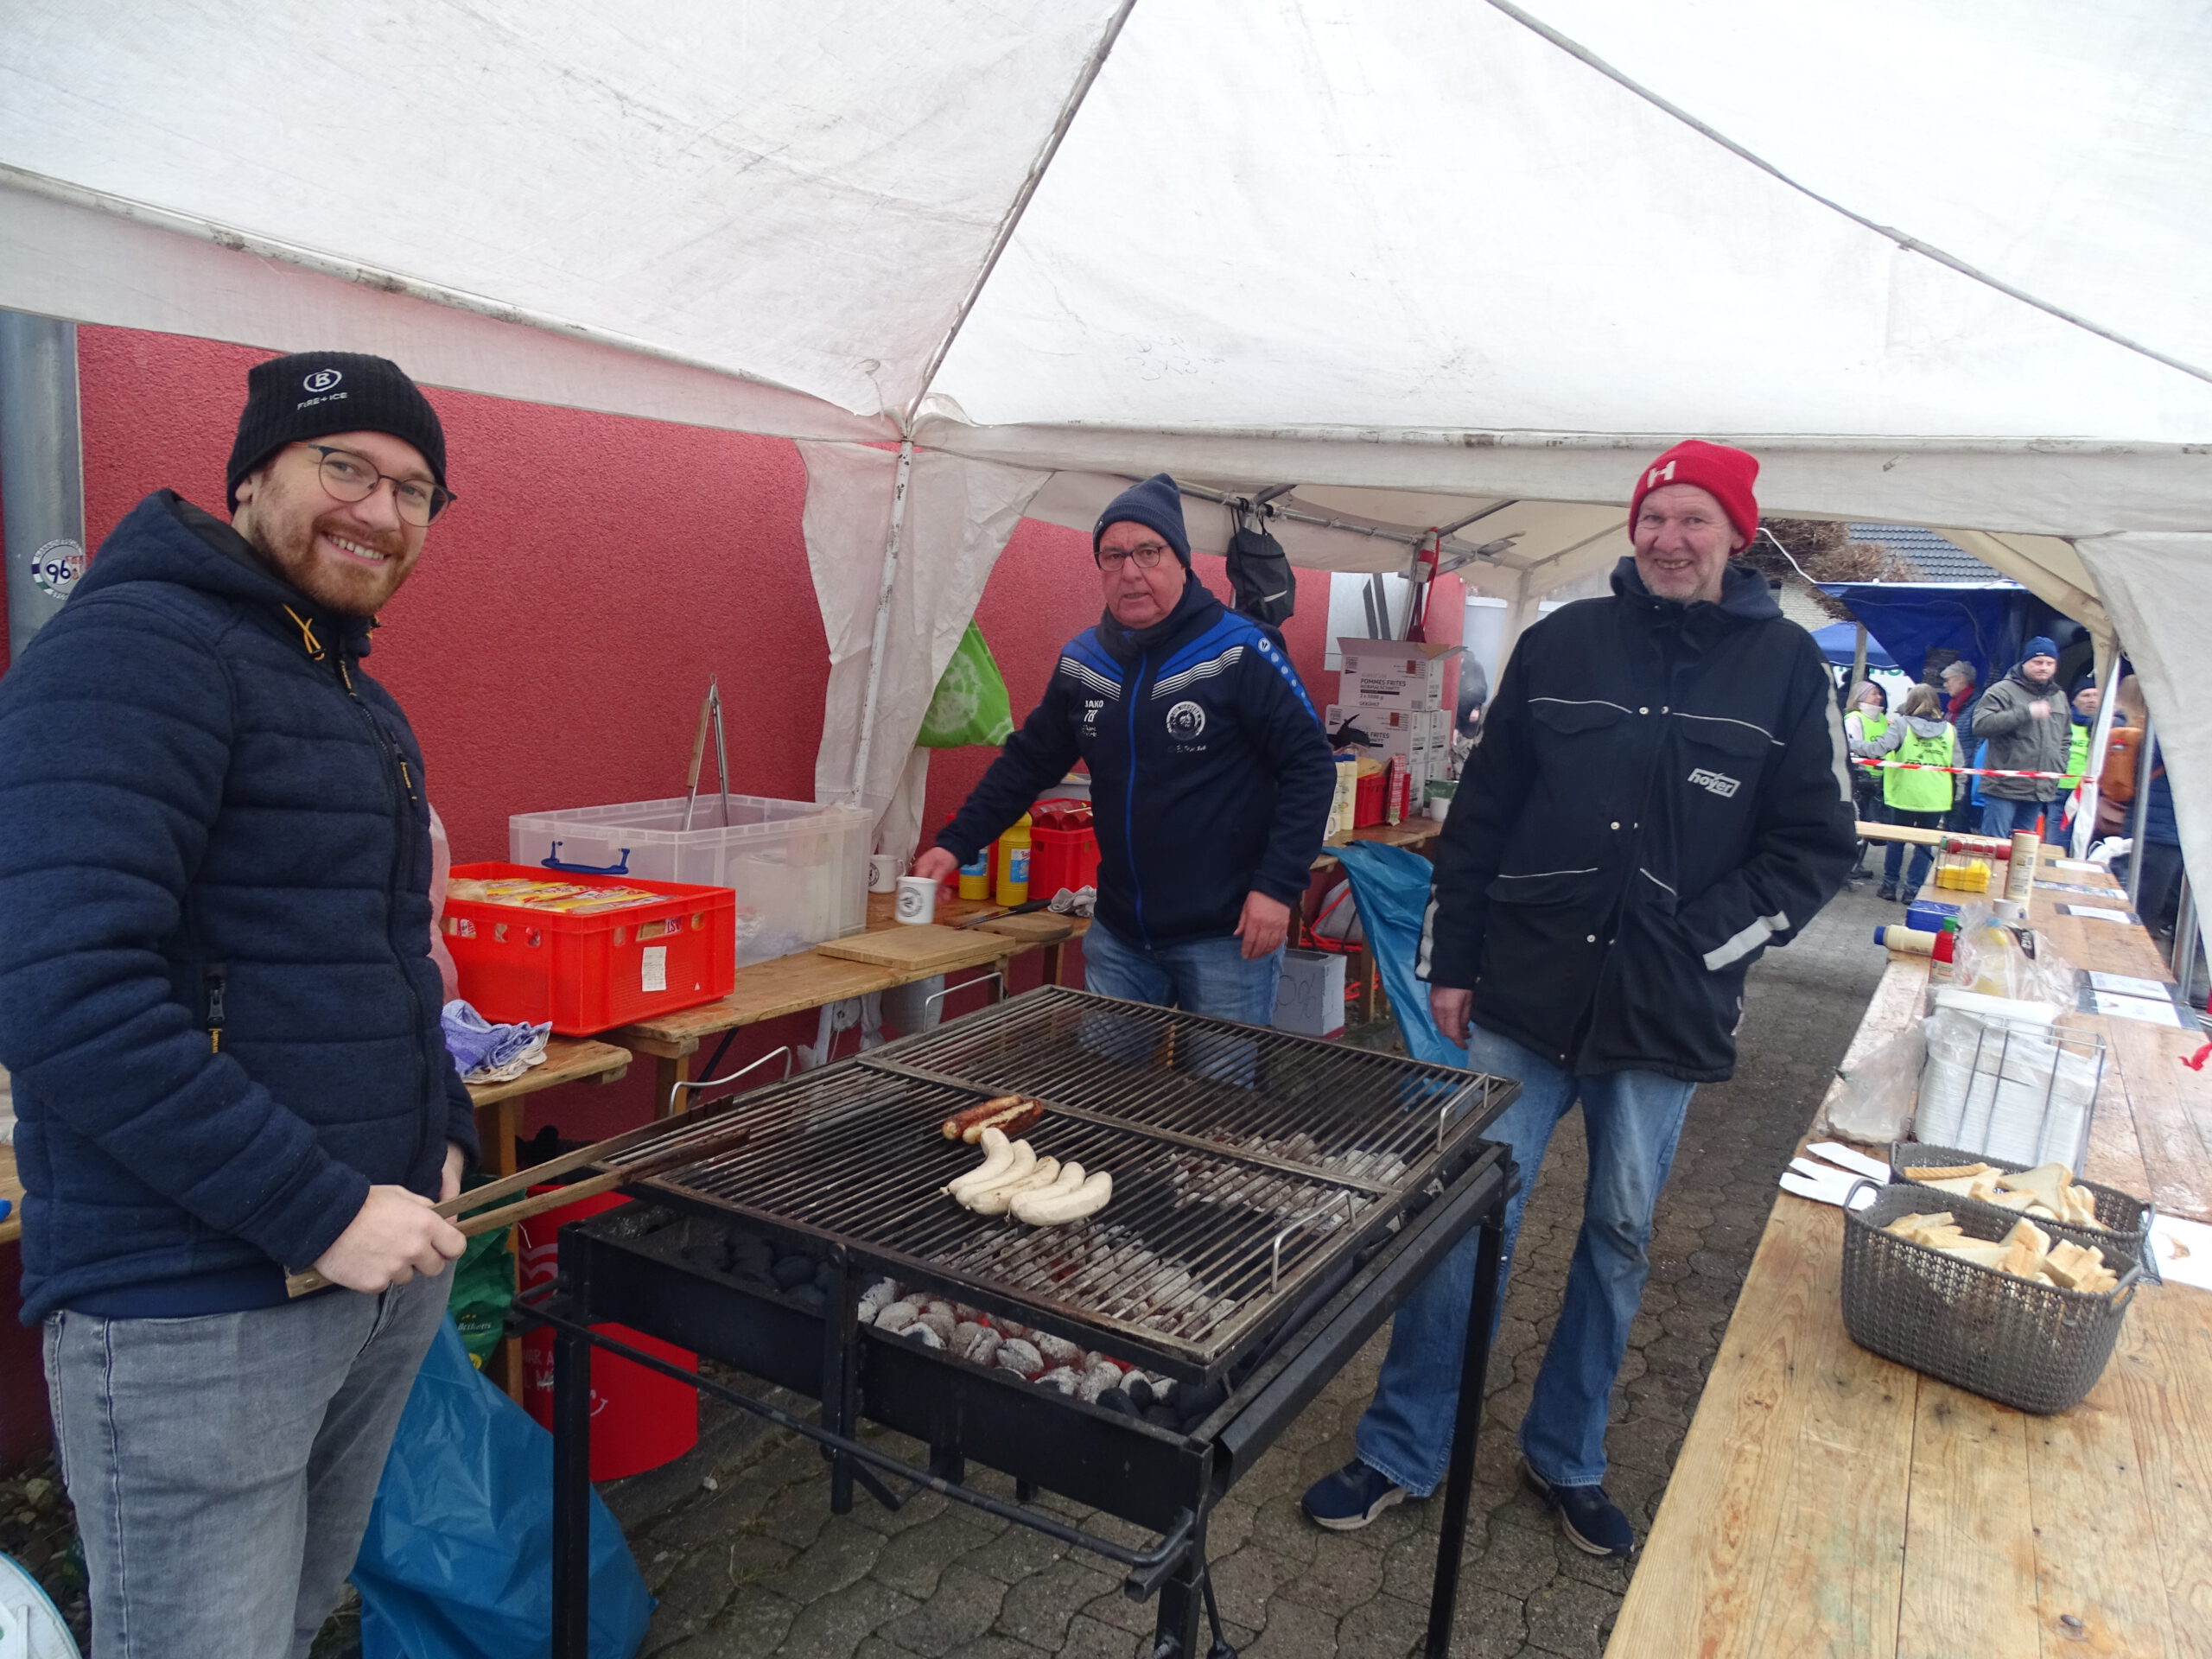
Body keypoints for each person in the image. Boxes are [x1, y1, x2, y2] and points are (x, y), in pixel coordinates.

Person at [0, 353, 475, 1659]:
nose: (380, 512)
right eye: (346, 467)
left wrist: (442, 1129)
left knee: (287, 1626)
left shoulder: (343, 688)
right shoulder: (136, 653)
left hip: (368, 1274)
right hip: (197, 1305)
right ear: (252, 475)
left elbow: (391, 957)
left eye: (415, 490)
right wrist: (323, 1210)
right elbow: (59, 992)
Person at [1301, 440, 1854, 1554]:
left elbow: (1817, 845)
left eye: (1694, 520)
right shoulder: (1559, 645)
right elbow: (1483, 815)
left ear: (1735, 535)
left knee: (1617, 1235)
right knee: (1465, 1219)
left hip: (1661, 1014)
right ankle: (1404, 1447)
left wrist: (1703, 943)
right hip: (1522, 992)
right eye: (1654, 518)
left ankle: (1567, 1456)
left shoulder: (1789, 668)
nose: (1669, 539)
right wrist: (1450, 963)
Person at [912, 474, 1337, 1020]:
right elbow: (1027, 764)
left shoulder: (1240, 649)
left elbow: (1310, 766)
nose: (1130, 571)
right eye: (1113, 556)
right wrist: (956, 844)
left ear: (1181, 561)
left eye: (1148, 552)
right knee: (1106, 1075)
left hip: (1226, 932)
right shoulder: (1085, 660)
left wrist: (1276, 888)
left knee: (1221, 1078)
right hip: (1120, 934)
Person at [1873, 684, 1967, 901]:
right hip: (1935, 797)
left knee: (1896, 841)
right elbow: (1959, 767)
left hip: (1903, 794)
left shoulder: (1901, 725)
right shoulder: (1950, 730)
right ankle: (1912, 890)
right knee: (1924, 845)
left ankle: (1889, 886)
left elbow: (1877, 750)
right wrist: (1958, 795)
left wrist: (1848, 744)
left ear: (1911, 702)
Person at [1973, 637, 2069, 839]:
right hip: (2004, 786)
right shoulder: (2001, 690)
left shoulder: (2059, 696)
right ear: (2024, 662)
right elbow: (1981, 724)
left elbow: (2065, 738)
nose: (2044, 667)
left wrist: (2059, 765)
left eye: (2049, 663)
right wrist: (2026, 712)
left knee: (2024, 849)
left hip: (2040, 787)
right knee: (1995, 845)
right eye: (2038, 662)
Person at [1842, 678, 1891, 880]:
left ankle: (1857, 864)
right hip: (1861, 779)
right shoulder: (1854, 719)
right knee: (1858, 823)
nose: (1878, 697)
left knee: (1868, 823)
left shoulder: (1882, 720)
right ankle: (1850, 866)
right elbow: (1853, 747)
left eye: (1879, 693)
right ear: (1861, 696)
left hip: (1879, 778)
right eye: (1874, 693)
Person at [1939, 658, 1980, 833]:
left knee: (1958, 824)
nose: (1945, 685)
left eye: (1948, 680)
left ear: (1961, 679)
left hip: (1965, 774)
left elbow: (1978, 740)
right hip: (1951, 772)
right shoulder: (1955, 706)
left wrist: (1968, 768)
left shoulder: (1976, 705)